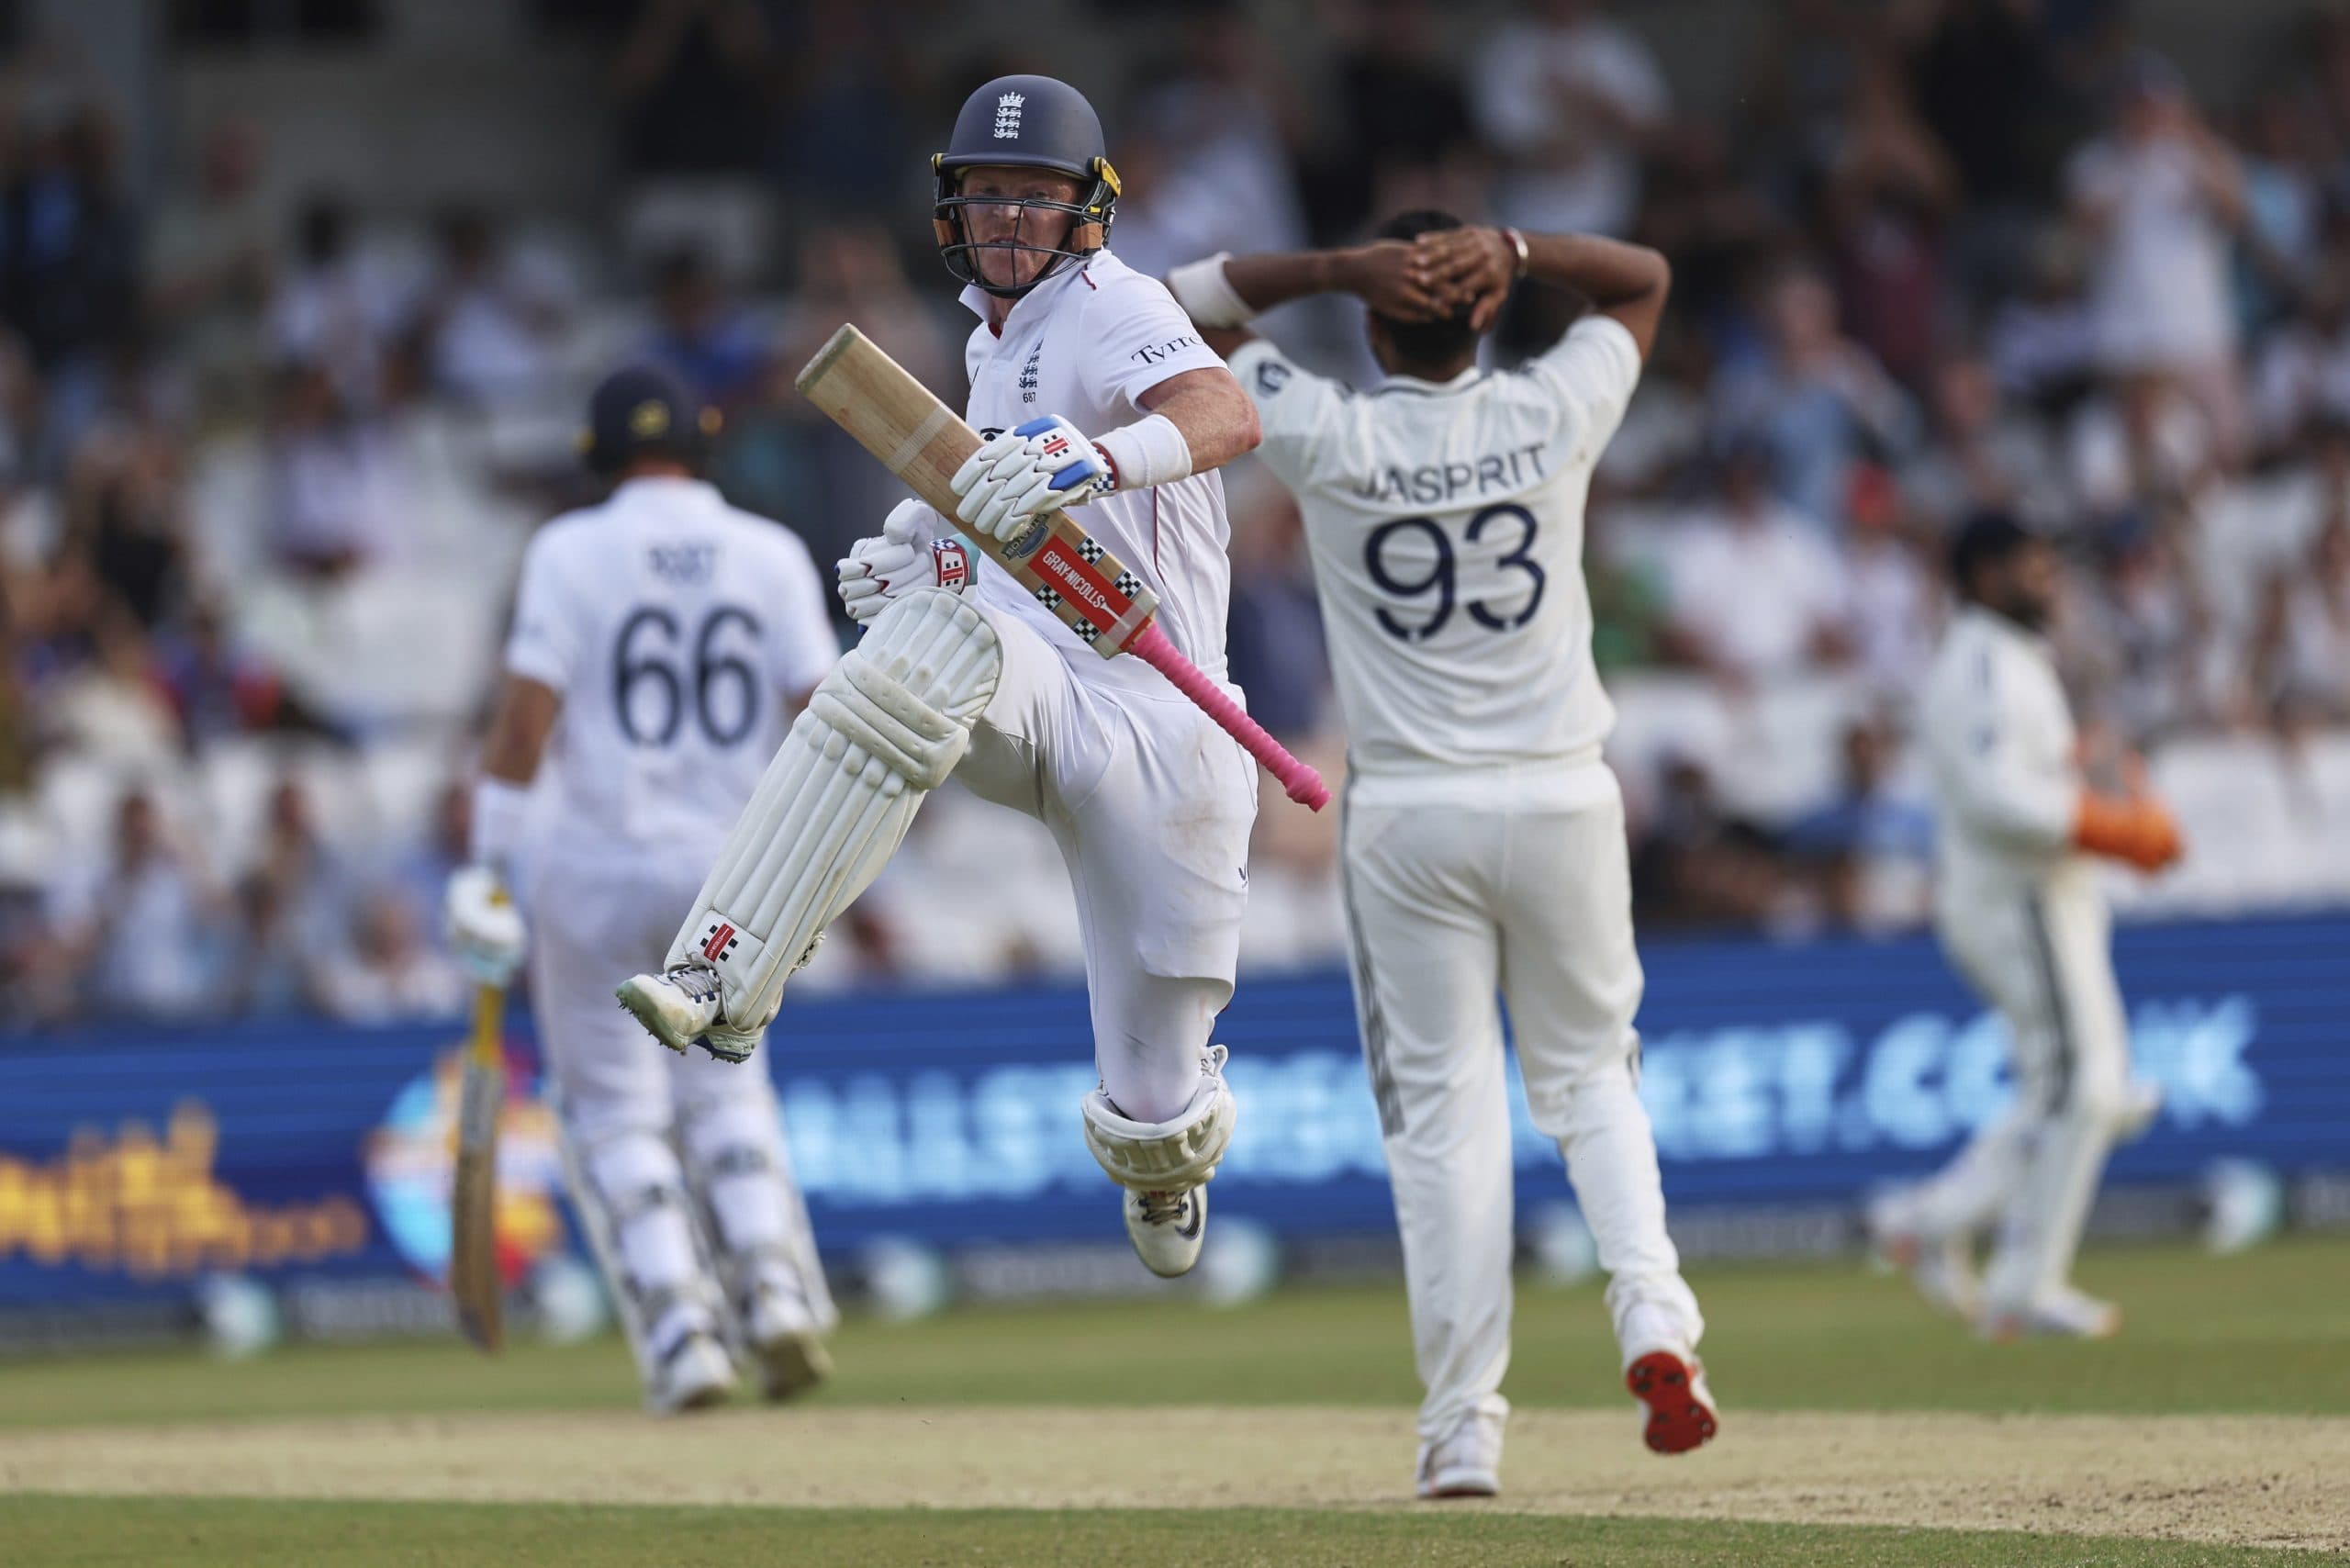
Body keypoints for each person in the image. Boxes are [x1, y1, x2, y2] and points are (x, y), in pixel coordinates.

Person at [616, 75, 1267, 1282]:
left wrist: (1097, 458)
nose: (1008, 221)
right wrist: (930, 549)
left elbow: (1225, 411)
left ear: (1087, 212)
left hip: (1164, 727)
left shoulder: (1113, 308)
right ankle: (727, 963)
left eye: (1034, 199)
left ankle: (1168, 1148)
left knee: (1154, 1109)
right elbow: (1012, 546)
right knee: (924, 645)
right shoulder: (987, 341)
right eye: (986, 197)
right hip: (1043, 689)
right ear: (950, 211)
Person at [1161, 213, 1716, 1496]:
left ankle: (1464, 1428)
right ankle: (1653, 1318)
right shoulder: (1549, 408)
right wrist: (1519, 248)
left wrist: (1325, 272)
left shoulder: (1327, 429)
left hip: (1412, 810)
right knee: (1592, 1079)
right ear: (1480, 311)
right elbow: (1647, 279)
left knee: (1446, 1123)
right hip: (1565, 793)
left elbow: (1179, 313)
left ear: (1370, 321)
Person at [445, 365, 839, 1414]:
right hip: (735, 871)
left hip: (596, 860)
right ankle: (773, 1288)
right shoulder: (770, 552)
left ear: (599, 455)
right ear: (706, 447)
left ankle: (681, 1328)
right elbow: (820, 716)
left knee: (618, 1109)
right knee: (726, 1084)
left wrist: (488, 870)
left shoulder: (569, 550)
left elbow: (525, 723)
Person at [1869, 514, 2182, 1338]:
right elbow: (1996, 798)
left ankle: (1930, 1222)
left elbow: (2026, 775)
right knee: (2087, 1088)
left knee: (2081, 1090)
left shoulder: (2013, 658)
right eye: (2027, 568)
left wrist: (2092, 779)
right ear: (1976, 577)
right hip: (2018, 902)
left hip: (2044, 899)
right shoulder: (1977, 662)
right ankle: (2021, 1284)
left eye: (2048, 565)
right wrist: (2111, 827)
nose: (2046, 581)